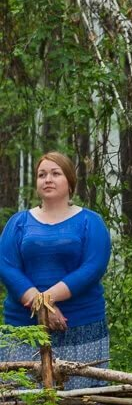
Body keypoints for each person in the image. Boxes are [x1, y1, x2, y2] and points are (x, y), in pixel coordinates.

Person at [0, 152, 112, 391]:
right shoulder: (18, 222)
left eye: (55, 173)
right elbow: (6, 265)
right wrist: (38, 304)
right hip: (23, 328)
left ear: (70, 182)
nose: (47, 179)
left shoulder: (91, 222)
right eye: (42, 175)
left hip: (81, 326)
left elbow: (93, 267)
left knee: (82, 403)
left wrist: (46, 300)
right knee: (22, 404)